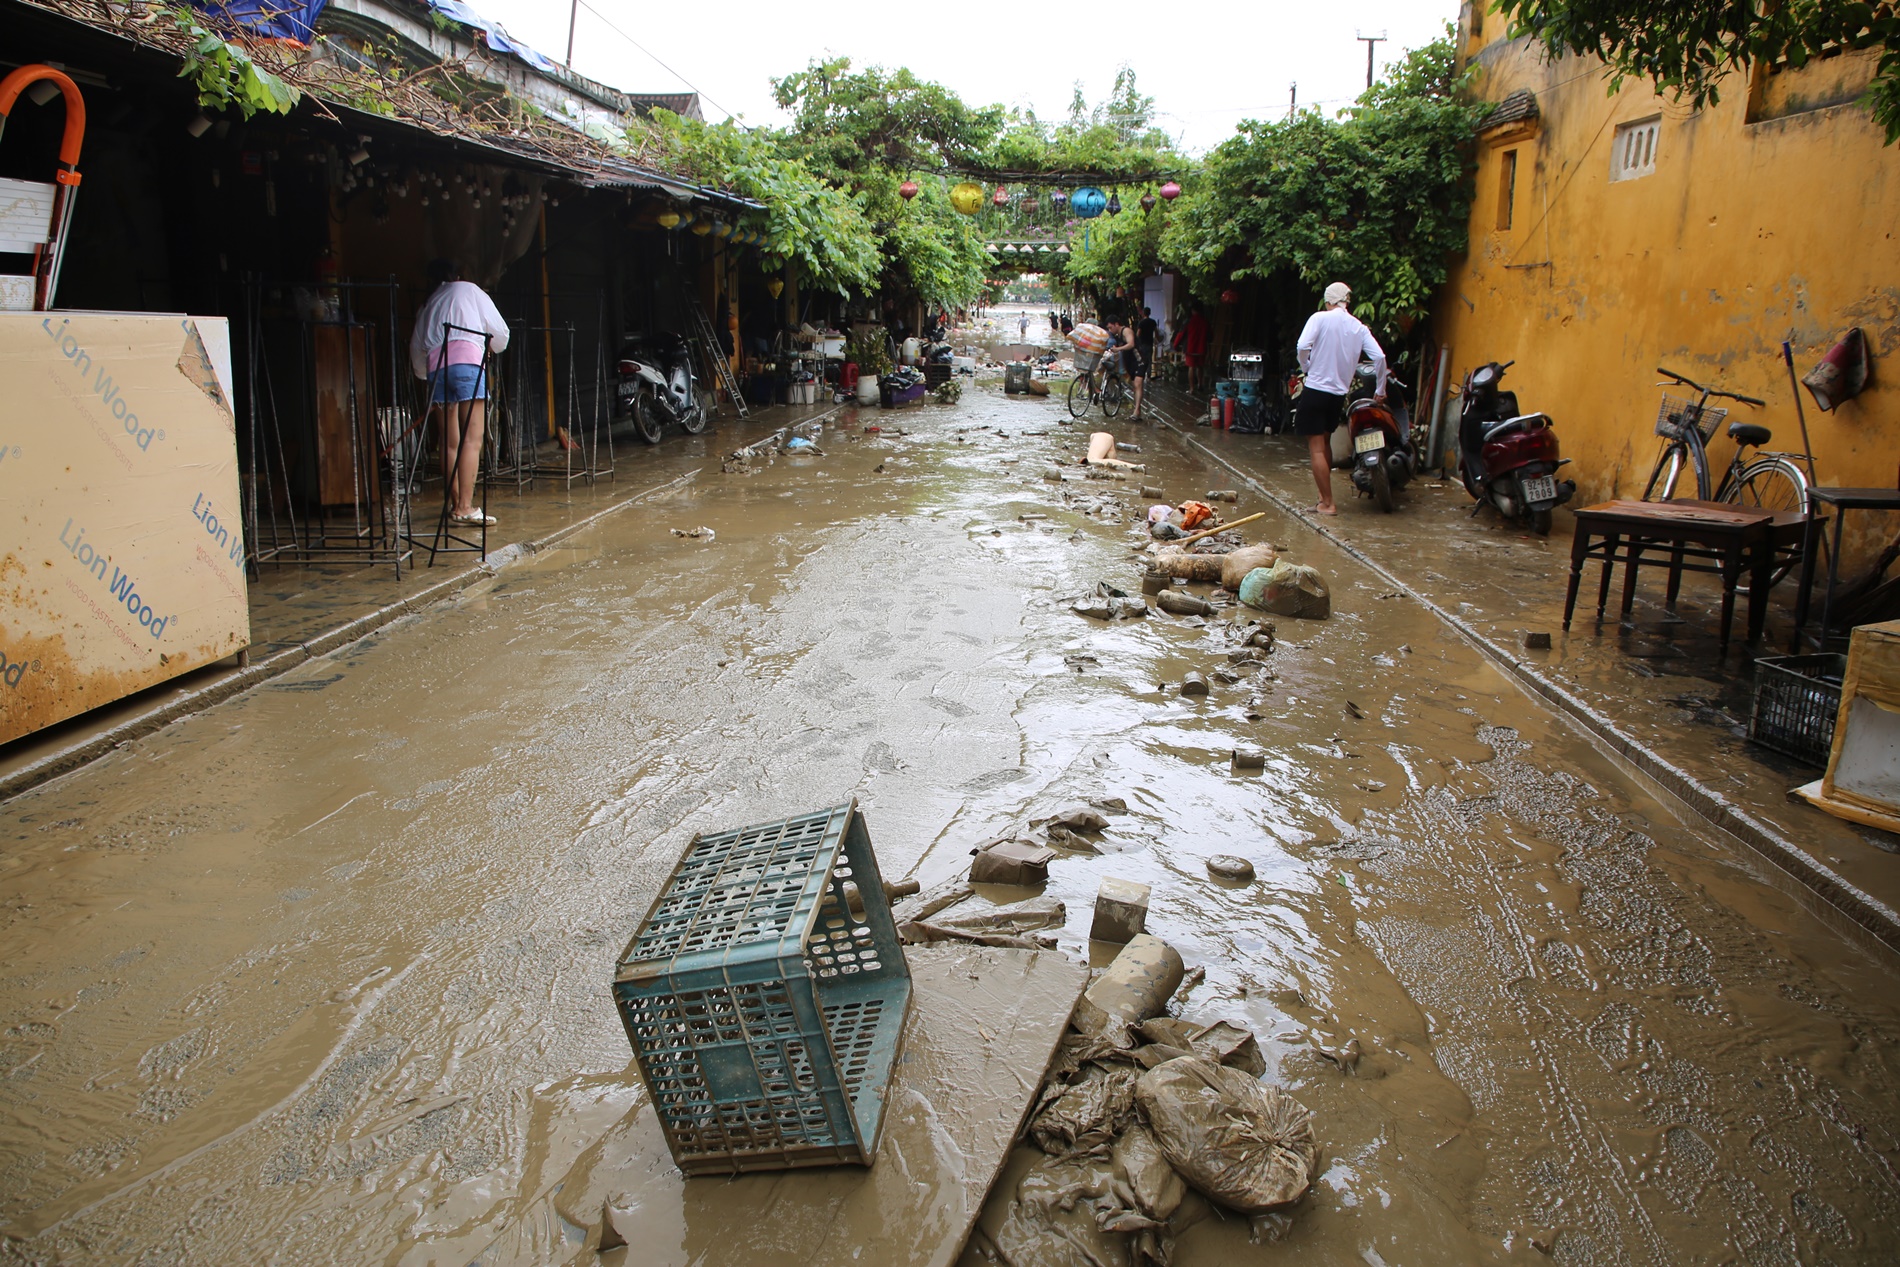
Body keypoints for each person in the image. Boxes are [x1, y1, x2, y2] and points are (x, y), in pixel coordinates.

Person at [410, 259, 510, 526]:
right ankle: (466, 507)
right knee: (471, 439)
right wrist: (488, 346)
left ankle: (456, 504)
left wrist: (427, 374)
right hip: (467, 365)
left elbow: (416, 350)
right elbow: (501, 335)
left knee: (448, 441)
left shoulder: (429, 303)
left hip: (437, 370)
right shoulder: (471, 291)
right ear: (458, 275)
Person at [1294, 282, 1386, 516]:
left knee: (1316, 448)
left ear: (1328, 301)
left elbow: (1303, 345)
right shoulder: (1359, 327)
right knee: (1325, 442)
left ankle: (1328, 503)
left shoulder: (1319, 318)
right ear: (1346, 301)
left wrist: (1306, 366)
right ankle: (1322, 497)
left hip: (1316, 390)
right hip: (1337, 395)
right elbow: (1379, 357)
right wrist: (1380, 389)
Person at [1173, 302, 1210, 396]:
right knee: (1200, 367)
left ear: (1193, 310)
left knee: (1191, 367)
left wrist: (1175, 345)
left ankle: (1192, 388)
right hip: (1202, 348)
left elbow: (1181, 334)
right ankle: (1200, 385)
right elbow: (1210, 335)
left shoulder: (1188, 321)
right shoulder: (1205, 321)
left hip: (1190, 348)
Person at [1131, 306, 1159, 419]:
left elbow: (1138, 333)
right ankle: (1148, 375)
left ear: (1143, 313)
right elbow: (1156, 333)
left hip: (1142, 344)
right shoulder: (1153, 322)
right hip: (1150, 343)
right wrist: (1158, 339)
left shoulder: (1141, 323)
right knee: (1149, 360)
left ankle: (1142, 375)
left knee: (1142, 360)